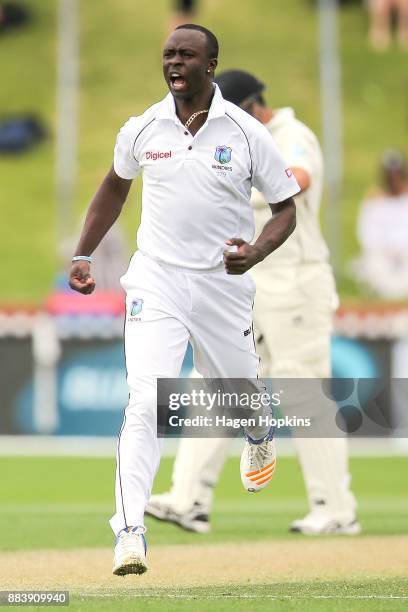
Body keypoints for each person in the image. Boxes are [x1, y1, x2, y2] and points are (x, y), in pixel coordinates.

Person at [69, 29, 299, 576]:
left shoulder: (247, 133)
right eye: (169, 55)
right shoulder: (143, 128)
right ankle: (129, 532)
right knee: (146, 403)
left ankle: (259, 433)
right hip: (157, 280)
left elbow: (287, 209)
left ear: (211, 65)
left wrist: (257, 251)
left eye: (186, 55)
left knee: (239, 391)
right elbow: (114, 187)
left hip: (223, 283)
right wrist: (83, 253)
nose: (175, 63)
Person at [146, 69, 360, 537]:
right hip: (244, 283)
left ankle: (336, 508)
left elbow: (298, 178)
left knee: (301, 388)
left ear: (248, 105)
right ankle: (188, 499)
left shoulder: (290, 133)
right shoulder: (229, 139)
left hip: (295, 282)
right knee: (216, 382)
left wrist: (237, 181)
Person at [353, 150, 408, 298]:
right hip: (382, 255)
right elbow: (367, 234)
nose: (394, 180)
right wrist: (387, 250)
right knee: (375, 264)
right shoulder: (374, 201)